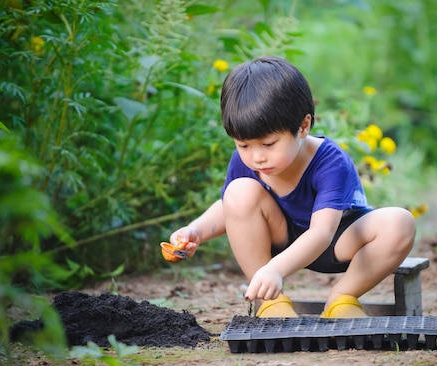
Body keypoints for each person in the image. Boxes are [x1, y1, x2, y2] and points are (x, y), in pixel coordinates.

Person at [167, 56, 416, 318]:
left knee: (399, 222)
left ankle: (342, 297)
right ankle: (272, 303)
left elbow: (321, 233)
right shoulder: (249, 161)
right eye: (243, 145)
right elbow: (229, 207)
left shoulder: (331, 162)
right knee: (239, 191)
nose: (256, 157)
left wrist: (277, 269)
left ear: (303, 126)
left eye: (268, 144)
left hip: (337, 241)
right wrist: (195, 230)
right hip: (280, 238)